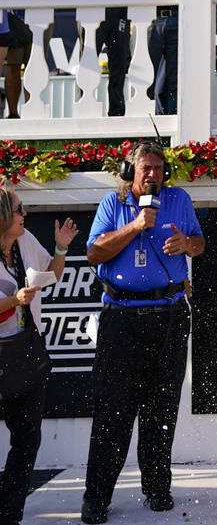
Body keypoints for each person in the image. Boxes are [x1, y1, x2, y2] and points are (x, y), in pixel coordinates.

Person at [81, 141, 205, 524]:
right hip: (122, 318)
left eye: (157, 167)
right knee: (113, 413)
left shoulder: (179, 199)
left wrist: (187, 244)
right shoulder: (112, 205)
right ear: (129, 171)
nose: (152, 174)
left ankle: (156, 489)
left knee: (162, 409)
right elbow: (94, 253)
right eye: (144, 168)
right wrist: (136, 225)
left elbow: (199, 243)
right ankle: (96, 498)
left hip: (168, 315)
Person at [0, 188, 76, 525]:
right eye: (19, 210)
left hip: (27, 352)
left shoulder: (25, 239)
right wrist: (14, 300)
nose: (24, 214)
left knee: (27, 439)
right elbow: (14, 300)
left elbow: (53, 274)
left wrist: (61, 248)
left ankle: (9, 513)